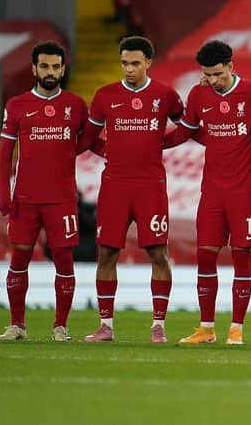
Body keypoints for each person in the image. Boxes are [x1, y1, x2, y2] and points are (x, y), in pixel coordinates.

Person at [172, 40, 251, 346]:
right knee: (205, 255)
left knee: (242, 255)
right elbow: (186, 129)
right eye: (207, 74)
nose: (213, 80)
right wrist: (151, 143)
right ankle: (206, 328)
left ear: (231, 66)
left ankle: (236, 328)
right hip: (212, 191)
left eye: (218, 74)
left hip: (246, 189)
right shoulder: (198, 94)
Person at [79, 36, 184, 343]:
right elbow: (88, 138)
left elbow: (188, 126)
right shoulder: (105, 95)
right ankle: (106, 326)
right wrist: (107, 152)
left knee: (157, 252)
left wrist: (162, 144)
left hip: (151, 186)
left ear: (148, 62)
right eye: (124, 63)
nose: (129, 69)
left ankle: (158, 325)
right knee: (107, 252)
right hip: (114, 185)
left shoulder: (165, 95)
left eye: (135, 63)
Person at [0, 41, 89, 342]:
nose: (50, 72)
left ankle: (60, 326)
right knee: (19, 258)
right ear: (34, 68)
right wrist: (4, 193)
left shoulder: (76, 105)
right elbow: (4, 153)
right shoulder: (17, 105)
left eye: (56, 66)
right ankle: (16, 325)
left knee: (64, 260)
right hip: (25, 198)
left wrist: (119, 152)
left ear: (63, 69)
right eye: (44, 66)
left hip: (62, 199)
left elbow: (89, 142)